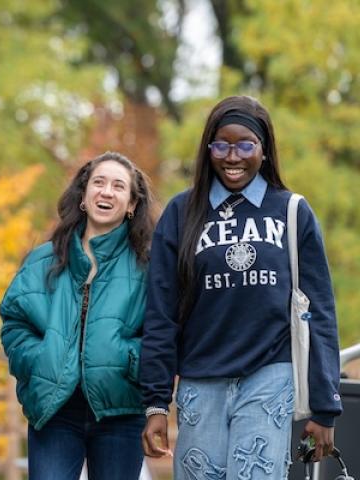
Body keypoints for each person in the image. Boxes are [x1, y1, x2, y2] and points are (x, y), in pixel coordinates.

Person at [140, 95, 342, 477]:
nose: (233, 157)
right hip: (201, 381)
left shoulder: (292, 211)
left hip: (269, 376)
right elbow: (161, 313)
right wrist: (155, 403)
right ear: (208, 149)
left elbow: (318, 312)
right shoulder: (181, 214)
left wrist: (324, 407)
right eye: (222, 145)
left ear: (264, 151)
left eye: (245, 145)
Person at [0, 151, 159, 480]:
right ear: (84, 197)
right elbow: (15, 322)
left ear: (131, 205)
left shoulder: (149, 266)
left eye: (118, 186)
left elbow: (161, 333)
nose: (106, 192)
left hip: (120, 410)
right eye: (98, 183)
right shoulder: (42, 260)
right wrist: (39, 358)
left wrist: (128, 361)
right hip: (54, 410)